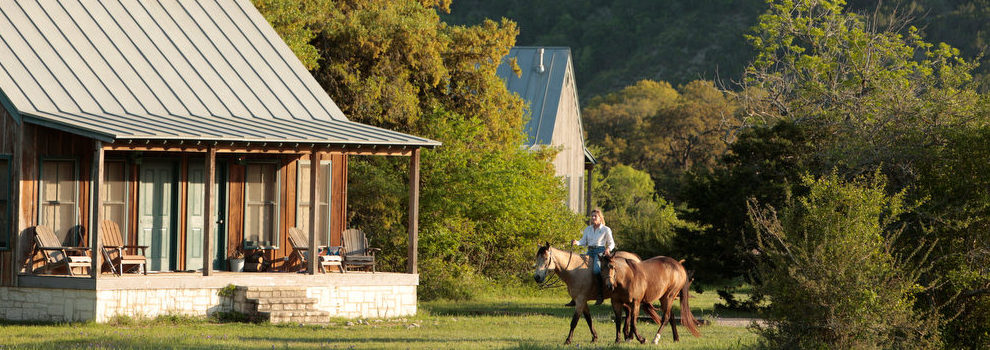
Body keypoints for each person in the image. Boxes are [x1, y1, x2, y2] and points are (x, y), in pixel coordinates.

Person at [564, 209, 615, 306]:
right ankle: (575, 298)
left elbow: (612, 243)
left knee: (596, 270)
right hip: (589, 251)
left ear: (600, 218)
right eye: (592, 216)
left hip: (600, 252)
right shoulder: (588, 229)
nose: (593, 218)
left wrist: (608, 249)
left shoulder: (606, 229)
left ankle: (600, 295)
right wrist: (577, 242)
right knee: (579, 270)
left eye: (595, 216)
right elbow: (583, 241)